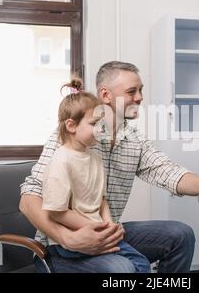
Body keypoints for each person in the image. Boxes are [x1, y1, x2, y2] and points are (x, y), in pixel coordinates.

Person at [20, 61, 199, 273]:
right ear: (106, 95)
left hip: (108, 233)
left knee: (181, 235)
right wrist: (68, 238)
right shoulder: (73, 137)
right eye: (132, 91)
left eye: (140, 90)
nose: (140, 98)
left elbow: (170, 173)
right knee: (123, 267)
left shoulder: (134, 140)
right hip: (59, 249)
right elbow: (28, 199)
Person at [41, 79, 150, 273]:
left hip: (98, 231)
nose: (101, 129)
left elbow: (102, 200)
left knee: (141, 264)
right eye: (94, 123)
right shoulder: (61, 161)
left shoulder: (95, 157)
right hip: (72, 243)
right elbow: (56, 212)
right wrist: (96, 227)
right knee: (126, 268)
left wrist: (110, 226)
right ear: (71, 126)